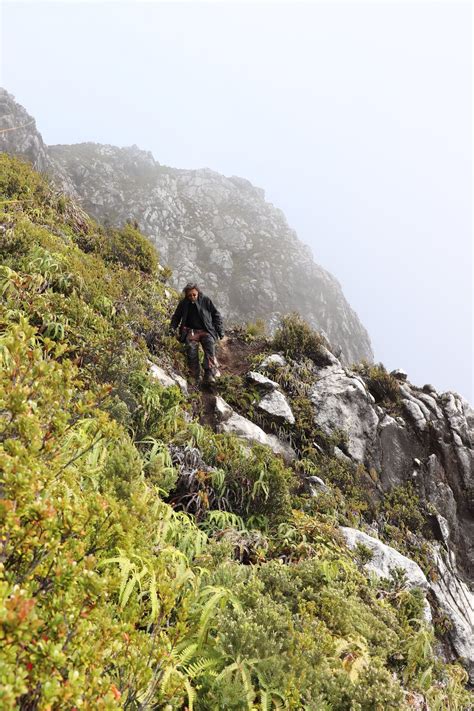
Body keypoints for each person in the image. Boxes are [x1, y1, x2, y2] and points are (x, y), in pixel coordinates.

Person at [170, 283, 224, 384]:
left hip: (206, 330)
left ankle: (209, 374)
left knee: (209, 346)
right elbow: (176, 317)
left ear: (198, 292)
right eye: (190, 295)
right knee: (191, 349)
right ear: (186, 295)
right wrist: (172, 329)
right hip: (191, 331)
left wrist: (220, 330)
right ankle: (195, 376)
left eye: (194, 294)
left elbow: (216, 315)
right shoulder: (183, 304)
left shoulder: (206, 300)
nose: (192, 297)